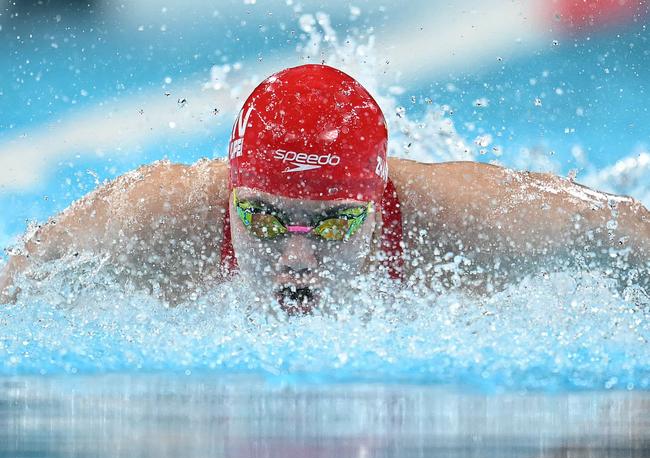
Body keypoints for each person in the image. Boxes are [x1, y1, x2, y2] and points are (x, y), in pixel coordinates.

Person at [1, 64, 649, 313]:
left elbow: (630, 234)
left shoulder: (473, 222)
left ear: (376, 205)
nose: (296, 255)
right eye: (262, 216)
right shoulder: (152, 217)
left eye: (334, 222)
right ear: (230, 194)